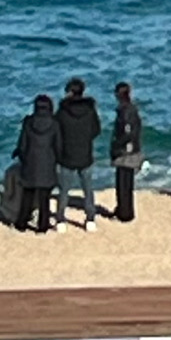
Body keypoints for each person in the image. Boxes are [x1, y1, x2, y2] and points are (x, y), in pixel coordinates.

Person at [53, 77, 101, 229]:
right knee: (88, 189)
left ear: (70, 92)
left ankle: (60, 220)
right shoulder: (90, 110)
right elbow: (96, 130)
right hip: (85, 153)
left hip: (67, 154)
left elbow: (56, 132)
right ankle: (90, 219)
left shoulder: (62, 111)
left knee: (64, 190)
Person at [14, 93, 60, 231]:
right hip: (47, 162)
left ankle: (22, 223)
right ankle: (43, 225)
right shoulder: (54, 124)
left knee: (27, 195)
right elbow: (58, 146)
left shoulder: (28, 122)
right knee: (44, 198)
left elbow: (22, 144)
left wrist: (23, 157)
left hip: (30, 162)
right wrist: (56, 160)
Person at [110, 81, 144, 223]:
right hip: (132, 148)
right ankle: (125, 210)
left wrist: (117, 145)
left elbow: (126, 132)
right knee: (127, 183)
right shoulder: (132, 109)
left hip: (126, 151)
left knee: (123, 183)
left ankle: (124, 213)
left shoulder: (125, 111)